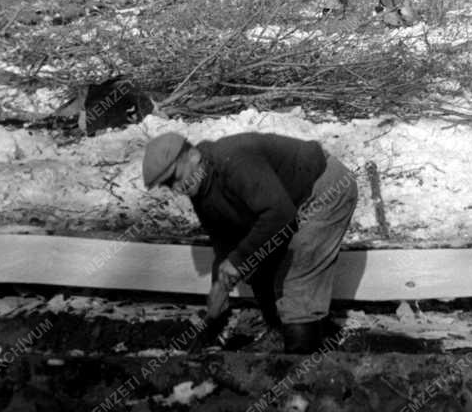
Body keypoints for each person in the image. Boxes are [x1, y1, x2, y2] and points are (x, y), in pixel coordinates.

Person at [142, 131, 358, 354]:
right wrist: (219, 289)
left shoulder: (234, 160)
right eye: (168, 185)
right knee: (256, 263)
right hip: (288, 203)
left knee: (297, 271)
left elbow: (279, 215)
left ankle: (302, 361)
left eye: (175, 177)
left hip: (324, 189)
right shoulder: (202, 192)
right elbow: (226, 244)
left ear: (194, 155)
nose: (177, 188)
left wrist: (237, 261)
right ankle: (280, 333)